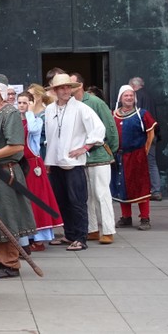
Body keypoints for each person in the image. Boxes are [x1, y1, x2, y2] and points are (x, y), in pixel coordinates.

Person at [0, 74, 36, 278]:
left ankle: (10, 263)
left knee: (6, 217)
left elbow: (16, 146)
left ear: (2, 90)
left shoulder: (10, 113)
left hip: (5, 172)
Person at [43, 74, 105, 252]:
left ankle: (80, 237)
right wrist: (49, 160)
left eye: (68, 87)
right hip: (55, 162)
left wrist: (85, 147)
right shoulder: (50, 110)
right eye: (61, 88)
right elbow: (50, 136)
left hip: (74, 163)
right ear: (55, 90)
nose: (65, 91)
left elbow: (98, 128)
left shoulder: (81, 108)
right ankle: (69, 234)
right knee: (62, 201)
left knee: (77, 201)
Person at [71, 73, 119, 244]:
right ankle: (91, 229)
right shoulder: (70, 104)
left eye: (71, 84)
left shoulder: (95, 102)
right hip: (80, 157)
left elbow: (110, 127)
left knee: (101, 193)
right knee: (86, 195)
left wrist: (109, 149)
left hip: (98, 155)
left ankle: (108, 229)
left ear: (80, 85)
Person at [17, 91, 62, 251]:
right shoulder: (15, 121)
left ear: (31, 103)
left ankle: (39, 238)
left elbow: (33, 130)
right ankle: (27, 236)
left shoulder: (36, 120)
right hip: (20, 164)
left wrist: (29, 112)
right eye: (20, 102)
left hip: (33, 164)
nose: (22, 106)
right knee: (24, 201)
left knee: (37, 200)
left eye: (25, 102)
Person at [112, 85, 157, 231]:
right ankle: (126, 217)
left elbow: (150, 134)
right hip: (119, 157)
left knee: (140, 187)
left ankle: (145, 218)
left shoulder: (142, 114)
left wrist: (144, 151)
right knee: (122, 186)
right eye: (126, 95)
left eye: (131, 95)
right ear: (120, 98)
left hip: (137, 156)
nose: (129, 98)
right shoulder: (113, 115)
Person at [129, 77, 162, 201]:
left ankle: (150, 190)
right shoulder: (149, 96)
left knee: (144, 163)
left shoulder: (136, 96)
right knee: (151, 162)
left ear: (133, 86)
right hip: (152, 132)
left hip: (143, 135)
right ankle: (155, 190)